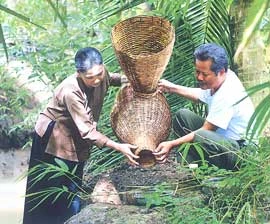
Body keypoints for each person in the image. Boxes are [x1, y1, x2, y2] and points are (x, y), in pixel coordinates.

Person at [23, 47, 139, 224]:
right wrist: (118, 146)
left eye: (99, 73)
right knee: (51, 189)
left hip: (76, 133)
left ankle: (70, 217)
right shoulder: (71, 90)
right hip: (54, 138)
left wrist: (131, 80)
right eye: (90, 77)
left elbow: (111, 78)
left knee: (73, 182)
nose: (96, 80)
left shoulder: (101, 74)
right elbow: (87, 131)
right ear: (79, 73)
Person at [153, 43, 254, 170]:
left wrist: (171, 144)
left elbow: (205, 131)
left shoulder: (227, 93)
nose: (199, 77)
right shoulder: (221, 78)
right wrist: (171, 87)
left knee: (203, 136)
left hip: (241, 152)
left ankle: (210, 171)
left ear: (221, 72)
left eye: (204, 74)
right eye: (197, 72)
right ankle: (189, 167)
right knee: (182, 116)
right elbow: (200, 95)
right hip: (221, 141)